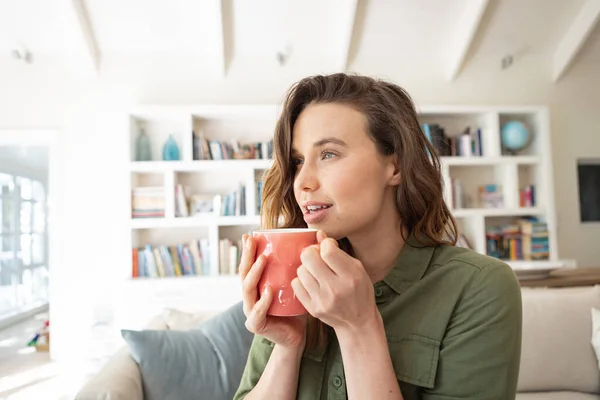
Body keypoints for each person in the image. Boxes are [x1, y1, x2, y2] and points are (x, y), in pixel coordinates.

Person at [233, 73, 522, 400]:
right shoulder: (292, 278)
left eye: (328, 154)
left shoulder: (480, 287)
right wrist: (288, 346)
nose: (302, 182)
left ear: (395, 166)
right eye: (298, 161)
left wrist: (359, 328)